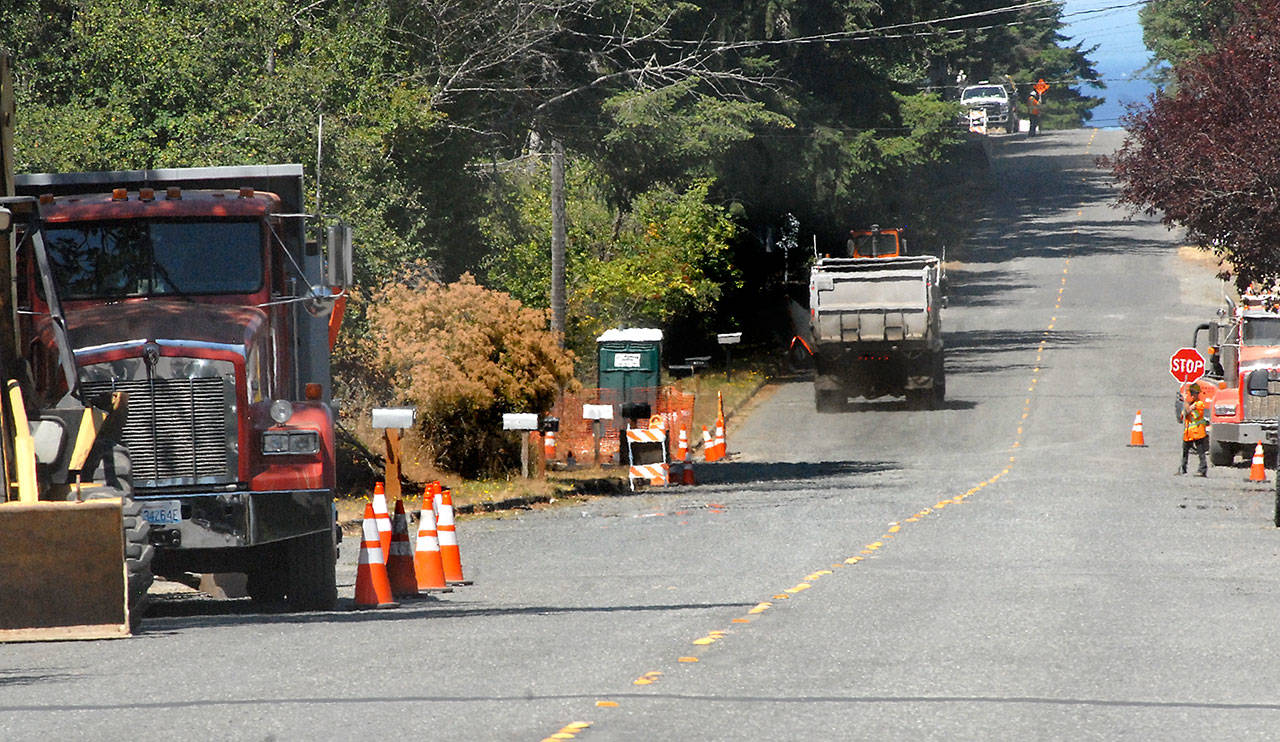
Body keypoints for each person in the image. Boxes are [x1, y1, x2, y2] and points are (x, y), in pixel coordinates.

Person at [1179, 383, 1209, 476]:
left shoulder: (1199, 404)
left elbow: (1190, 413)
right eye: (1192, 393)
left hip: (1198, 432)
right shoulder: (1190, 404)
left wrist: (1185, 402)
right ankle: (1182, 469)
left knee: (1201, 452)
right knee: (1184, 452)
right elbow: (1182, 415)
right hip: (1188, 433)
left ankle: (1202, 470)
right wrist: (1186, 406)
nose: (1193, 395)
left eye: (1195, 393)